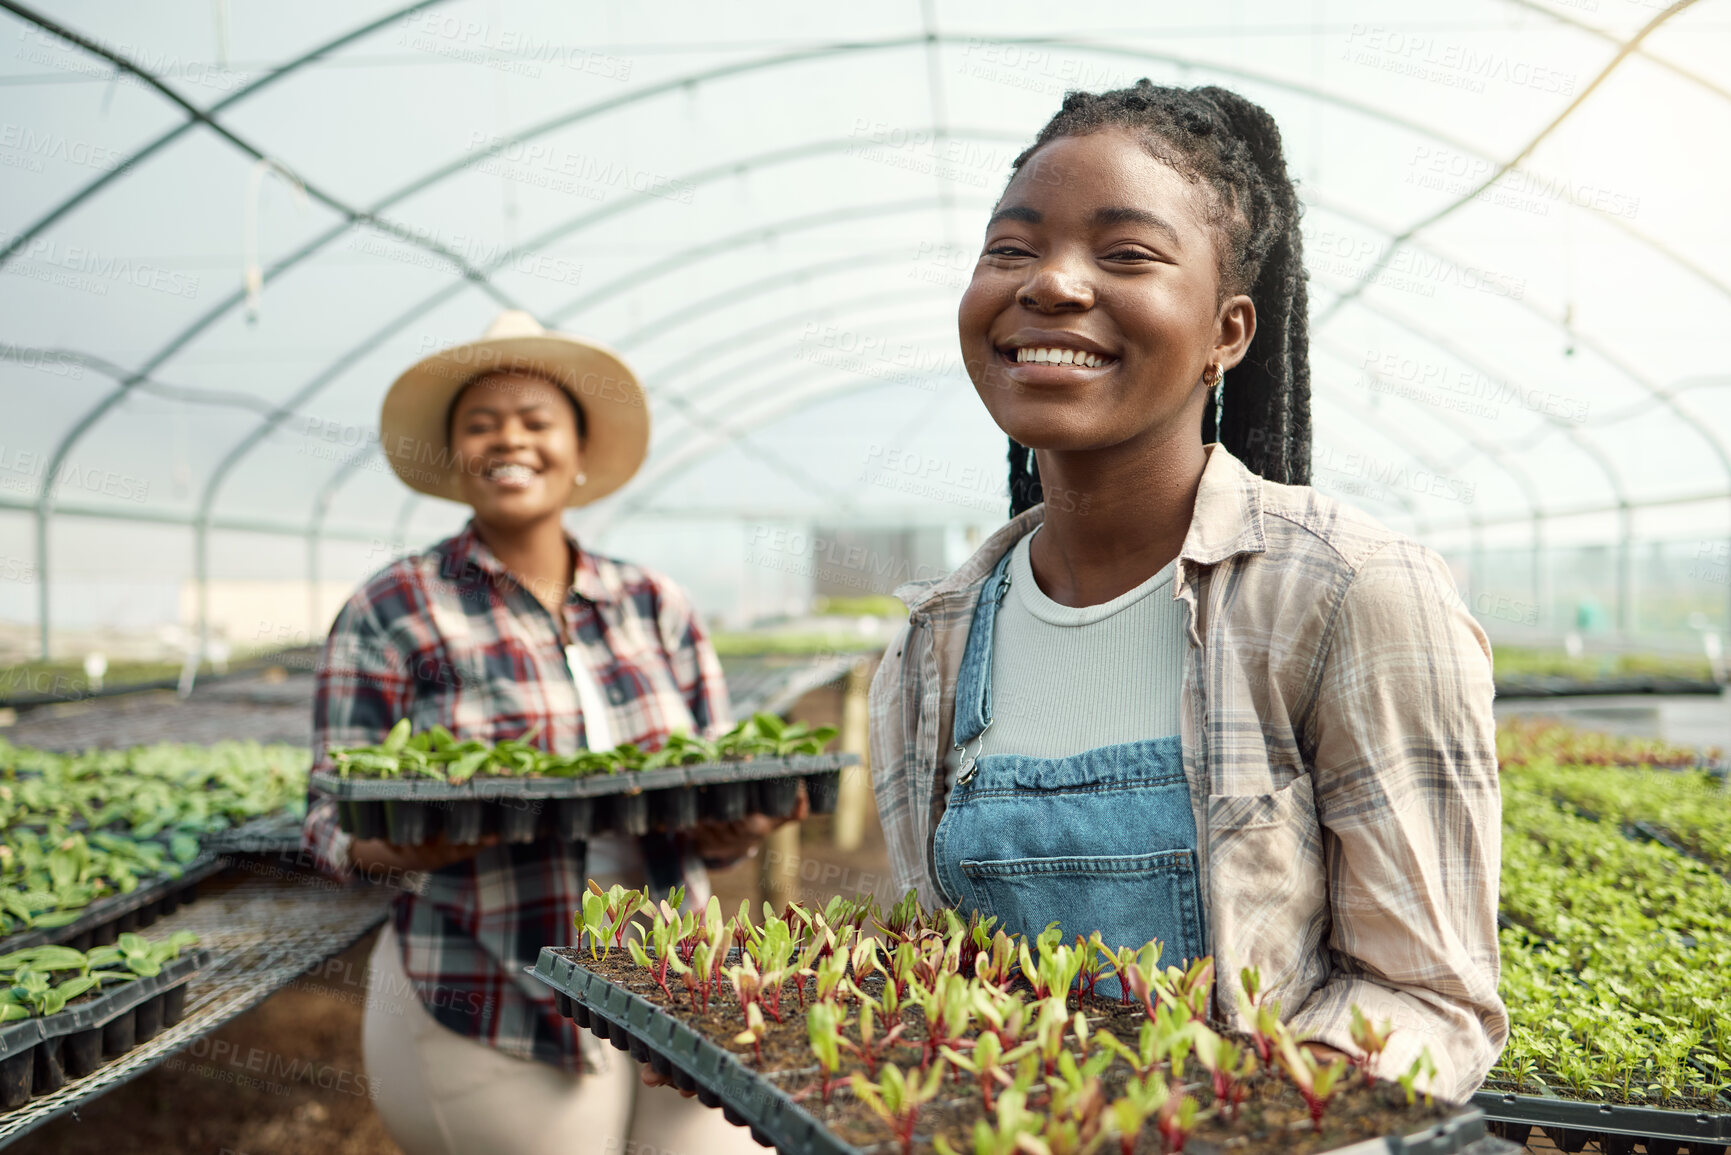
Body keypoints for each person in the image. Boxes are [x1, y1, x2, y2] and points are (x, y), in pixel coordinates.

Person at [867, 81, 1506, 1101]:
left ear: (1229, 332)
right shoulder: (932, 646)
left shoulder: (1346, 596)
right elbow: (941, 980)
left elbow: (1431, 1001)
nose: (1053, 285)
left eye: (1125, 254)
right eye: (1012, 249)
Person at [302, 310, 794, 1155]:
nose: (509, 441)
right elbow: (326, 817)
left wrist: (736, 828)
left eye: (536, 422)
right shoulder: (396, 607)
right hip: (487, 979)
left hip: (671, 972)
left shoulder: (651, 603)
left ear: (576, 448)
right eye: (480, 424)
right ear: (456, 452)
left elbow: (717, 784)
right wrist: (408, 845)